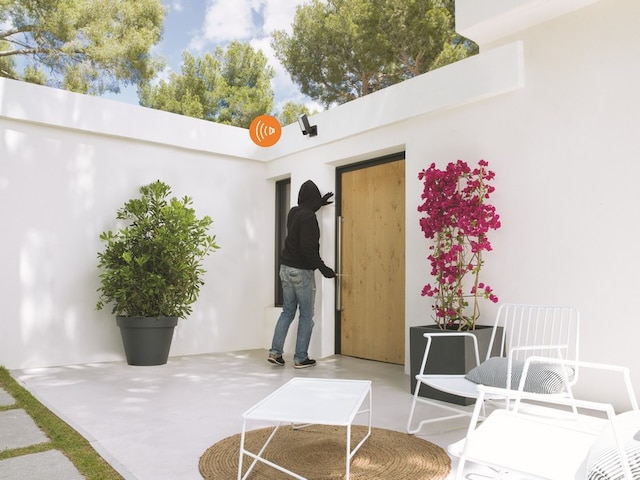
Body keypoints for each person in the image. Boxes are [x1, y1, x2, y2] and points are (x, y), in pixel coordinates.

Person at [268, 180, 336, 369]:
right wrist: (323, 269)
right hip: (301, 272)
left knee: (287, 312)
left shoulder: (293, 212)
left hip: (285, 269)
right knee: (306, 315)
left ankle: (275, 353)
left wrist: (319, 203)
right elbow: (307, 249)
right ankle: (300, 358)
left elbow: (303, 216)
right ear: (313, 199)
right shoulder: (309, 218)